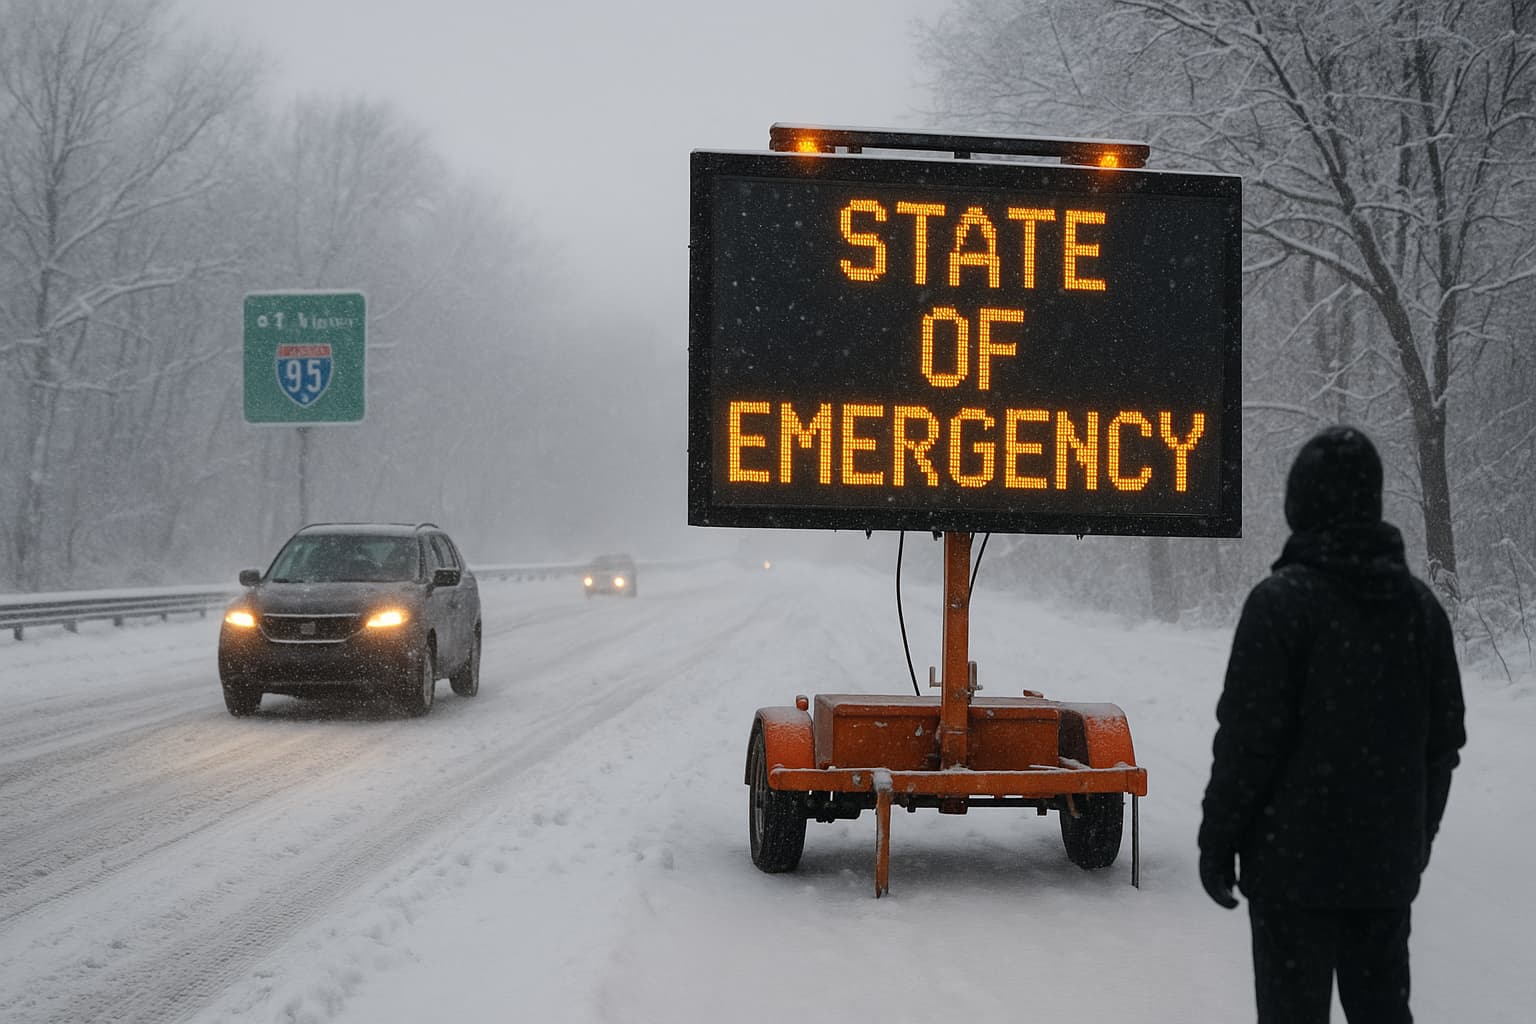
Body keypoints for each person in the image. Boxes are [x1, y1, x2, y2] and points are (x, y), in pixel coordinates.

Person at [1198, 426, 1466, 1023]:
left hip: (1289, 876)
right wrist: (1415, 840)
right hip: (1383, 875)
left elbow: (1247, 742)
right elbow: (1443, 745)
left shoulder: (1280, 605)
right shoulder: (1421, 611)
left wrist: (1218, 840)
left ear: (1301, 503)